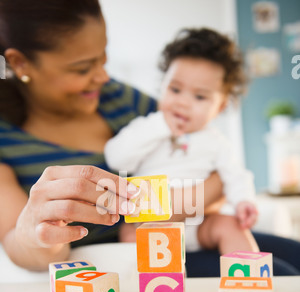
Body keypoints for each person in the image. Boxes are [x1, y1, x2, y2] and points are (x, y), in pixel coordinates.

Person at [0, 1, 299, 276]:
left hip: (193, 225)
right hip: (130, 255)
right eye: (82, 67)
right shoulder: (7, 139)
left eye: (104, 57)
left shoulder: (117, 97)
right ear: (21, 63)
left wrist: (215, 201)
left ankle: (248, 278)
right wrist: (35, 233)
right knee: (283, 278)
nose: (103, 77)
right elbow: (21, 245)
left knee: (291, 259)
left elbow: (214, 172)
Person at [105, 28, 259, 255]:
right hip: (149, 226)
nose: (183, 103)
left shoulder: (216, 142)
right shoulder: (148, 127)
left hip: (198, 224)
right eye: (175, 90)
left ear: (221, 107)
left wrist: (244, 201)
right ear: (162, 87)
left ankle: (248, 284)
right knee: (128, 235)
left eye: (199, 96)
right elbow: (116, 157)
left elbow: (235, 176)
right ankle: (153, 286)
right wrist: (159, 126)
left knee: (231, 226)